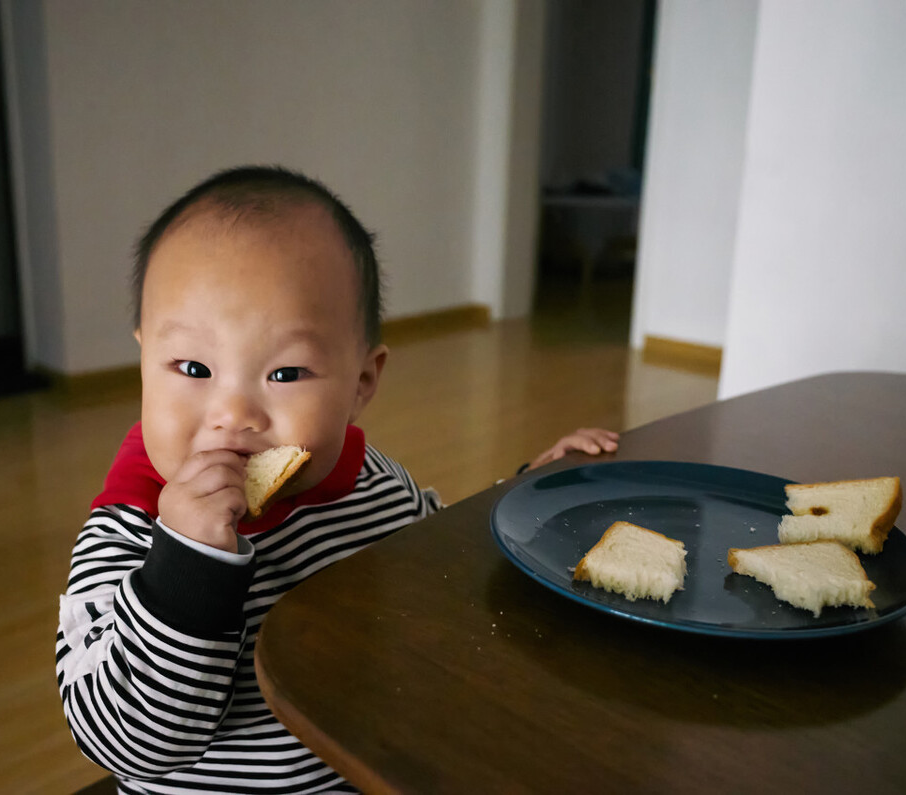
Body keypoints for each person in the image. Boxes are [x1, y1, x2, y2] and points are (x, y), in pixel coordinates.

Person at [56, 166, 619, 794]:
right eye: (193, 366)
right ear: (142, 361)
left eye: (287, 374)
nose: (234, 415)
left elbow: (440, 557)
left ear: (361, 384)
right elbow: (123, 744)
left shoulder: (367, 479)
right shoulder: (130, 528)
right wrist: (187, 567)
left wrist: (523, 492)